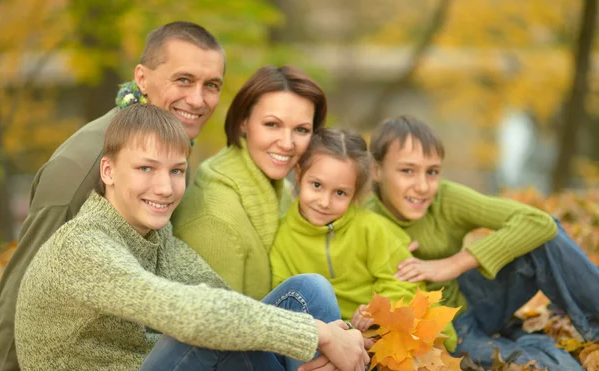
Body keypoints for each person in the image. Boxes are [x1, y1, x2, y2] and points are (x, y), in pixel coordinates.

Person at [14, 104, 370, 371]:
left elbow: (222, 299)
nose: (165, 188)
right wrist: (321, 335)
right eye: (145, 168)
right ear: (108, 170)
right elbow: (193, 312)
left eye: (177, 171)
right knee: (207, 327)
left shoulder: (155, 234)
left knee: (308, 290)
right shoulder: (84, 246)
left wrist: (342, 335)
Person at [0, 21, 226, 370]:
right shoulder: (79, 167)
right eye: (183, 80)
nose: (197, 99)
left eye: (211, 85)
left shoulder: (172, 151)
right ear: (142, 78)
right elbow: (21, 296)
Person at [365, 115, 599, 370]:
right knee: (555, 367)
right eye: (407, 170)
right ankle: (530, 343)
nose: (422, 186)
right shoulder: (364, 223)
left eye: (432, 172)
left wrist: (455, 263)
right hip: (447, 333)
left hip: (475, 298)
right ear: (376, 170)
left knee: (544, 238)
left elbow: (540, 222)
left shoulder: (445, 198)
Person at [269, 128, 457, 351]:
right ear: (299, 174)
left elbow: (404, 285)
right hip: (326, 338)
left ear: (355, 193)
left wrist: (377, 309)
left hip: (385, 336)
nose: (324, 201)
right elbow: (288, 299)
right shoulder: (282, 237)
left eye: (340, 193)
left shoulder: (373, 229)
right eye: (317, 185)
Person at [172, 65, 327, 301]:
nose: (287, 143)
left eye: (301, 130)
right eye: (272, 124)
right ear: (244, 121)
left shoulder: (283, 190)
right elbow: (219, 329)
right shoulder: (215, 219)